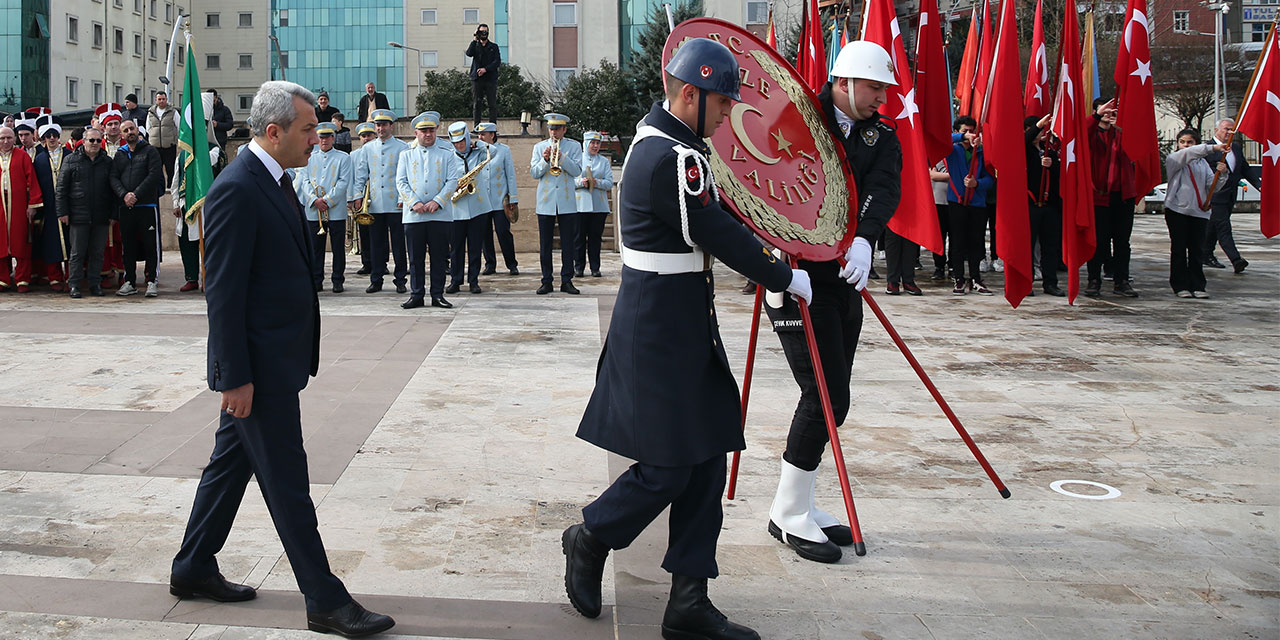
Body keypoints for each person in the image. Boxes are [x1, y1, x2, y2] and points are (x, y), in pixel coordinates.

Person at [562, 38, 811, 640]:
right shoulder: (674, 157)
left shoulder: (675, 148)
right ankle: (591, 535)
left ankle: (689, 600)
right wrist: (782, 273)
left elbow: (718, 222)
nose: (729, 116)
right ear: (690, 93)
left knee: (705, 456)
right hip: (659, 325)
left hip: (679, 314)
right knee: (670, 465)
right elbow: (714, 229)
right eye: (722, 104)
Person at [170, 81, 395, 638]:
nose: (317, 138)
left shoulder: (277, 180)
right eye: (307, 130)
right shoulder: (237, 189)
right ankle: (324, 599)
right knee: (288, 481)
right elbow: (221, 294)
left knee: (229, 467)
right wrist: (235, 377)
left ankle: (193, 566)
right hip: (258, 371)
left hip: (275, 359)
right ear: (274, 132)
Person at [760, 40, 900, 566]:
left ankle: (802, 502)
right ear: (843, 83)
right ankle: (786, 512)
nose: (881, 97)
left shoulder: (880, 134)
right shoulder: (797, 116)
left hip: (845, 275)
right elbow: (763, 177)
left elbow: (884, 186)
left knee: (834, 397)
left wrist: (866, 235)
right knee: (824, 395)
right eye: (873, 87)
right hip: (795, 277)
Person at [395, 112, 461, 309]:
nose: (428, 134)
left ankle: (437, 294)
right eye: (423, 131)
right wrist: (414, 202)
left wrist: (438, 201)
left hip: (439, 215)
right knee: (415, 259)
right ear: (416, 132)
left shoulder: (447, 154)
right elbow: (401, 181)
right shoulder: (406, 154)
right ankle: (416, 294)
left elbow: (452, 181)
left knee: (439, 258)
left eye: (431, 130)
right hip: (414, 215)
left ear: (436, 131)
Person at [1165, 129, 1231, 299]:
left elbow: (1213, 187)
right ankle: (1180, 285)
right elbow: (1189, 154)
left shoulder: (1202, 164)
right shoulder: (1174, 160)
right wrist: (1213, 148)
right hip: (1177, 210)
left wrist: (1222, 174)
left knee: (1197, 250)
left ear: (1196, 143)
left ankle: (1198, 285)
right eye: (1182, 142)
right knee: (1179, 249)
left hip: (1199, 212)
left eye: (1190, 142)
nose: (1186, 145)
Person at [350, 108, 409, 294]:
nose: (381, 128)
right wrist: (357, 195)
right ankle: (376, 279)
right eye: (378, 125)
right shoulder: (368, 148)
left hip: (396, 203)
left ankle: (400, 279)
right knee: (376, 244)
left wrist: (403, 198)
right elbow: (361, 174)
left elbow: (406, 175)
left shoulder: (402, 147)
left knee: (399, 244)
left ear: (391, 126)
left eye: (384, 125)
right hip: (375, 203)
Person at [1085, 97, 1139, 298]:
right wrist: (1097, 115)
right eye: (1104, 110)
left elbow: (1140, 150)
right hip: (1099, 196)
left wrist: (1126, 131)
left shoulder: (1121, 133)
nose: (1109, 114)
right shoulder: (1091, 132)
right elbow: (1080, 135)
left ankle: (1121, 280)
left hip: (1123, 196)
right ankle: (1094, 279)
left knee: (1122, 242)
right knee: (1098, 242)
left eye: (1112, 110)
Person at [58, 128, 114, 298]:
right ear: (83, 141)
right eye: (91, 140)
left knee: (97, 252)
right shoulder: (70, 160)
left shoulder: (107, 161)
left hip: (101, 215)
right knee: (77, 253)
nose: (95, 144)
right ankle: (74, 285)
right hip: (78, 214)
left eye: (98, 140)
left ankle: (94, 284)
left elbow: (113, 190)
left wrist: (113, 214)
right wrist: (62, 212)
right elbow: (61, 189)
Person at [110, 119, 164, 297]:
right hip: (126, 207)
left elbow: (154, 175)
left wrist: (136, 195)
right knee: (128, 246)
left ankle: (151, 282)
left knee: (150, 245)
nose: (129, 132)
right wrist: (124, 195)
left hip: (147, 206)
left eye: (131, 129)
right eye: (125, 130)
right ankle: (129, 282)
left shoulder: (150, 151)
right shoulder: (120, 154)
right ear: (122, 135)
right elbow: (114, 178)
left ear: (137, 130)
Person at [530, 113, 582, 295]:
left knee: (568, 243)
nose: (554, 132)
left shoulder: (574, 146)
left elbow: (577, 171)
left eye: (557, 129)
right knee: (545, 244)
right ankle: (546, 280)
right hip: (546, 201)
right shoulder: (539, 147)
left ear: (564, 129)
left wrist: (561, 158)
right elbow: (534, 173)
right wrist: (545, 160)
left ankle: (567, 280)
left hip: (567, 202)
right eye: (551, 129)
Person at [298, 122, 352, 293]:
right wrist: (314, 200)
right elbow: (304, 181)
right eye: (321, 137)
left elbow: (343, 182)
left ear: (333, 138)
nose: (324, 140)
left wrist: (327, 200)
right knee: (315, 248)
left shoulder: (343, 158)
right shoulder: (308, 157)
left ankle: (337, 279)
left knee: (337, 247)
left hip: (335, 210)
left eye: (327, 137)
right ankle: (316, 279)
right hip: (314, 210)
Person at [1202, 118, 1261, 273]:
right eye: (1226, 129)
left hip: (1230, 195)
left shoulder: (1235, 147)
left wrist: (1259, 185)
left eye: (1232, 130)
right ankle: (1236, 260)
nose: (1229, 133)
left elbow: (1245, 169)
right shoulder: (1208, 148)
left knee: (1214, 227)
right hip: (1215, 196)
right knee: (1224, 228)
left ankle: (1206, 254)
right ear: (1216, 130)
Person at [945, 115, 994, 295]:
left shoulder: (982, 151)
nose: (970, 135)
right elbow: (941, 141)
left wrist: (978, 183)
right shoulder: (953, 149)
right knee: (957, 242)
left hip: (977, 203)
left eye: (972, 131)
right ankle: (959, 278)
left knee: (976, 242)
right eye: (965, 131)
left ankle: (976, 278)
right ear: (958, 131)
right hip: (956, 201)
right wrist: (962, 138)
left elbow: (991, 178)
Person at [445, 121, 490, 295]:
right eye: (456, 142)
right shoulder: (448, 156)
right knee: (456, 247)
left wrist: (478, 142)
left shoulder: (479, 152)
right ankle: (455, 281)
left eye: (462, 141)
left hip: (477, 206)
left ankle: (474, 280)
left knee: (475, 246)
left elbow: (492, 151)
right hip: (456, 208)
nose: (460, 145)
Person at [0, 125, 44, 292]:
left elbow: (32, 181)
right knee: (1, 241)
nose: (5, 141)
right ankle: (3, 278)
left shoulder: (22, 156)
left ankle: (22, 279)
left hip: (18, 204)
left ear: (14, 139)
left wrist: (33, 204)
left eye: (9, 138)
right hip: (0, 206)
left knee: (21, 241)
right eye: (2, 138)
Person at [1025, 115, 1065, 297]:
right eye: (1035, 130)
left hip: (1050, 205)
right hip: (1030, 203)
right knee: (1028, 246)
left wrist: (1052, 165)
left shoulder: (1049, 151)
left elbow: (1060, 175)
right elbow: (1023, 140)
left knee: (1050, 247)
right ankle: (1027, 282)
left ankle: (1050, 282)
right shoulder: (1024, 149)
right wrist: (1038, 124)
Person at [31, 116, 70, 292]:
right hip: (48, 207)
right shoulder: (39, 159)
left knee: (71, 242)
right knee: (51, 241)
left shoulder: (70, 156)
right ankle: (55, 277)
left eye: (54, 135)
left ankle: (71, 276)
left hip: (69, 206)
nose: (52, 138)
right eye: (48, 135)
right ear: (43, 138)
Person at [474, 122, 520, 276]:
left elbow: (510, 175)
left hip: (500, 200)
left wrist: (513, 198)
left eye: (483, 134)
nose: (480, 137)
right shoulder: (476, 152)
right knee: (484, 234)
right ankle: (490, 264)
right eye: (479, 135)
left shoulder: (503, 151)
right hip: (482, 200)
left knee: (503, 232)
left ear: (492, 135)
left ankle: (511, 263)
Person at [574, 130, 612, 279]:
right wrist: (580, 182)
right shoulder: (578, 159)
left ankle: (595, 267)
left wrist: (597, 183)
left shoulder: (603, 161)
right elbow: (569, 181)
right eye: (592, 143)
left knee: (595, 238)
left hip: (599, 206)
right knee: (579, 238)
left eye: (598, 143)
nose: (595, 146)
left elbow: (609, 182)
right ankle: (578, 267)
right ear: (586, 144)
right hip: (580, 205)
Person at [349, 122, 378, 276]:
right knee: (364, 233)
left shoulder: (378, 152)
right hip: (361, 199)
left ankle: (381, 262)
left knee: (378, 234)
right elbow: (351, 178)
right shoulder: (353, 156)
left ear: (375, 136)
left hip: (377, 198)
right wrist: (353, 198)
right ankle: (366, 263)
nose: (366, 138)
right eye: (363, 136)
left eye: (369, 135)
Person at [466, 24, 501, 126]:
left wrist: (485, 69)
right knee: (477, 103)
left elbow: (497, 62)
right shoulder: (476, 46)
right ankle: (476, 126)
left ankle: (493, 126)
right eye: (482, 32)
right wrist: (474, 40)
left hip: (490, 78)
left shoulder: (493, 47)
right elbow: (469, 53)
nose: (484, 34)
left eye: (485, 32)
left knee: (492, 104)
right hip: (477, 79)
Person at [146, 91, 180, 186]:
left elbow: (179, 126)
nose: (161, 101)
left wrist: (174, 139)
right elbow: (148, 128)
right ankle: (158, 188)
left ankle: (170, 187)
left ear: (166, 100)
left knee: (170, 169)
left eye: (163, 99)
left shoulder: (173, 112)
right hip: (155, 146)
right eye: (159, 99)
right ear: (156, 100)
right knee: (156, 169)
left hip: (169, 146)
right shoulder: (150, 113)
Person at [929, 160, 950, 281]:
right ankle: (939, 266)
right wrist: (952, 176)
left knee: (956, 237)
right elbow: (933, 175)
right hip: (938, 200)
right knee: (939, 236)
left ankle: (952, 267)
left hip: (955, 200)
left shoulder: (957, 153)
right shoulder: (937, 155)